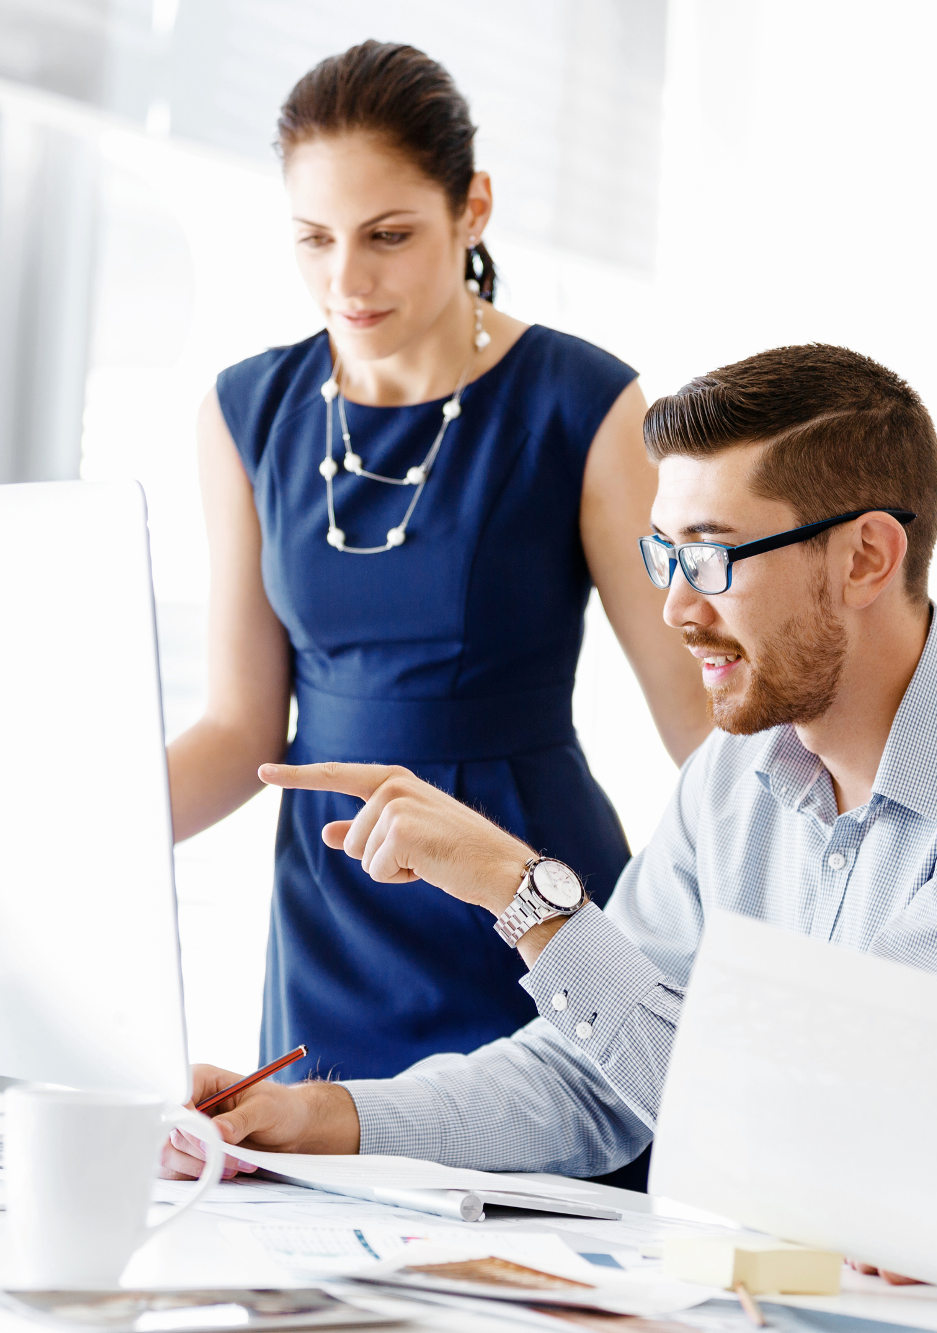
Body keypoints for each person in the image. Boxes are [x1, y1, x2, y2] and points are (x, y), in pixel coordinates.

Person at [160, 344, 937, 1186]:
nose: (677, 607)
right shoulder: (733, 776)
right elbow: (589, 1079)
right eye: (663, 556)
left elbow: (830, 1122)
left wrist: (525, 896)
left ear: (864, 558)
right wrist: (320, 1118)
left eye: (713, 557)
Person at [167, 41, 708, 1086]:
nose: (345, 280)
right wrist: (69, 836)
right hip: (333, 911)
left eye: (387, 236)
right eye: (313, 239)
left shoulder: (583, 405)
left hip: (523, 899)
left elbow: (694, 718)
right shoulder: (244, 414)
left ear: (473, 210)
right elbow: (240, 732)